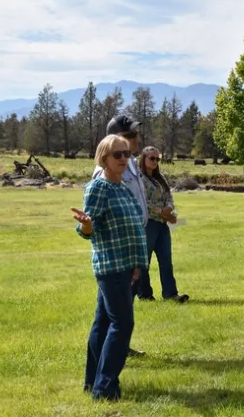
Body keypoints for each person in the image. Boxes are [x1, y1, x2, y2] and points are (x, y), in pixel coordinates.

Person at [71, 134, 148, 401]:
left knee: (103, 323)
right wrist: (87, 225)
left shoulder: (122, 187)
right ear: (104, 158)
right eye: (117, 155)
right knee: (122, 324)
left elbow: (133, 228)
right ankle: (105, 388)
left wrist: (137, 264)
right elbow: (86, 229)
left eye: (126, 154)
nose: (124, 159)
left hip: (127, 266)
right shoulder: (99, 187)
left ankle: (93, 383)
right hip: (111, 266)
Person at [92, 114, 148, 357]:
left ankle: (119, 345)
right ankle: (113, 350)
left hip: (132, 245)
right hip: (116, 254)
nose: (133, 142)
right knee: (110, 317)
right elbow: (97, 221)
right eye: (129, 136)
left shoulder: (130, 162)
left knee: (115, 313)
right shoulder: (103, 173)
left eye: (135, 136)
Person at [138, 146, 190, 303]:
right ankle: (145, 295)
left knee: (166, 260)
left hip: (162, 225)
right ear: (143, 159)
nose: (154, 161)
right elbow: (142, 202)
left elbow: (169, 197)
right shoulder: (139, 179)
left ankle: (170, 294)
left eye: (157, 159)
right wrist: (161, 212)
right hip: (148, 224)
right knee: (144, 261)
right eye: (151, 158)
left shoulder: (160, 178)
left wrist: (168, 209)